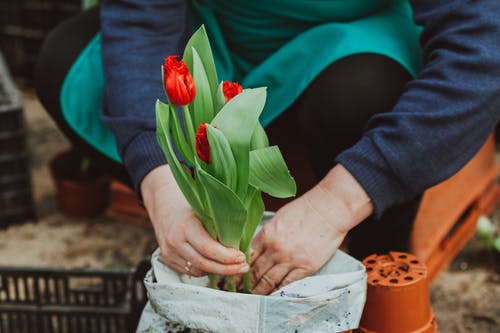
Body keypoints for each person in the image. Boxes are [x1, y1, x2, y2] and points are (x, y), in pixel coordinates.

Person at [36, 0, 500, 296]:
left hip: (352, 35)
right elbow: (140, 21)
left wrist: (331, 207)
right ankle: (219, 249)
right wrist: (163, 185)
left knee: (360, 96)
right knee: (71, 64)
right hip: (216, 36)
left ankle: (373, 273)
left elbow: (483, 49)